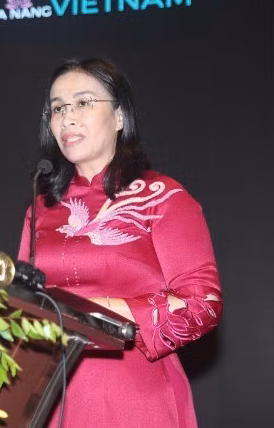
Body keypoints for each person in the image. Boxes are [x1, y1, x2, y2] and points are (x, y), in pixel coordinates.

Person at [17, 58, 223, 427]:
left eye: (83, 103)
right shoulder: (42, 208)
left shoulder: (162, 196)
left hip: (135, 396)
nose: (68, 117)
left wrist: (98, 310)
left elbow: (202, 304)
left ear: (120, 116)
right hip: (51, 394)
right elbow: (23, 303)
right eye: (58, 108)